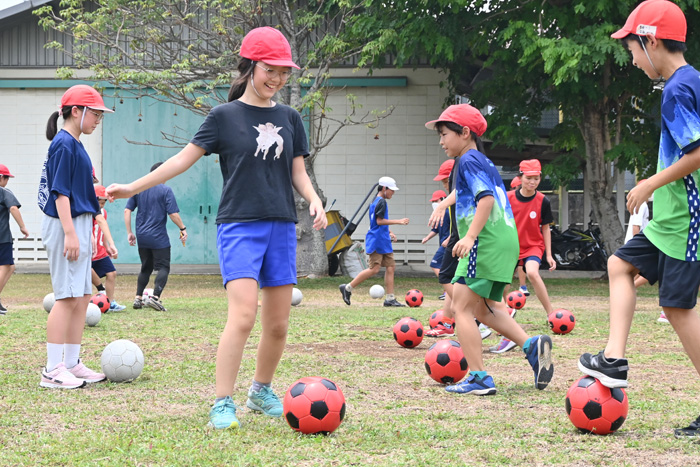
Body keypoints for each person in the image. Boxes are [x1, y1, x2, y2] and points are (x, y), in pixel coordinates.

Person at [107, 26, 327, 430]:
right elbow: (180, 160)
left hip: (280, 225)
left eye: (283, 73)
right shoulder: (223, 117)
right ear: (249, 67)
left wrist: (313, 199)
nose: (277, 80)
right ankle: (222, 402)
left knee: (278, 324)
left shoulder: (290, 117)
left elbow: (298, 169)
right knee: (243, 316)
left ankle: (260, 391)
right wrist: (131, 188)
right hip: (240, 226)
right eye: (270, 70)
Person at [578, 0, 700, 438]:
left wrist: (649, 183)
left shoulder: (678, 89)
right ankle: (613, 360)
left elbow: (698, 153)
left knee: (678, 308)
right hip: (670, 219)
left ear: (650, 40)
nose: (630, 58)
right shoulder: (687, 83)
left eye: (631, 47)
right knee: (618, 265)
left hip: (687, 220)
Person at [426, 104, 554, 395]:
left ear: (465, 133)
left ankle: (480, 378)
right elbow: (473, 191)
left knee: (460, 307)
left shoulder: (468, 160)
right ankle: (532, 346)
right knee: (481, 309)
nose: (441, 141)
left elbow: (485, 200)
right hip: (503, 242)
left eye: (445, 134)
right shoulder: (480, 160)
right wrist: (447, 203)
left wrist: (470, 237)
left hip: (484, 242)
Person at [38, 84, 114, 389]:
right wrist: (70, 232)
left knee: (82, 296)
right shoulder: (64, 144)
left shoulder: (76, 144)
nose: (98, 119)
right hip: (65, 224)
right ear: (76, 111)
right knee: (66, 297)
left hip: (79, 223)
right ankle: (51, 370)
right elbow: (60, 193)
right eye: (95, 113)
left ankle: (71, 363)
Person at [492, 159, 558, 353]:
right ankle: (503, 316)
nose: (532, 182)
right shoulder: (508, 197)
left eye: (536, 178)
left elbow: (545, 228)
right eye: (529, 178)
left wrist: (549, 254)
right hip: (511, 245)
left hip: (533, 246)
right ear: (520, 178)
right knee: (501, 282)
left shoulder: (543, 200)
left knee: (532, 273)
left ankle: (551, 314)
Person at [124, 162, 187, 312]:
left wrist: (129, 232)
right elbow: (173, 214)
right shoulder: (165, 190)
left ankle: (138, 298)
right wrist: (183, 228)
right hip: (158, 237)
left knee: (146, 268)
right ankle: (155, 298)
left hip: (142, 236)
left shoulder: (140, 189)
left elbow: (127, 210)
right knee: (164, 267)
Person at [339, 176, 409, 307]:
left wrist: (389, 232)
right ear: (384, 188)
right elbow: (378, 221)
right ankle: (347, 288)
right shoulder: (381, 202)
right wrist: (398, 221)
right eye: (391, 190)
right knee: (374, 269)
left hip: (383, 240)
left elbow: (375, 223)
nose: (393, 193)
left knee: (391, 267)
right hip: (377, 241)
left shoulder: (376, 202)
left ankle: (390, 298)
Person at [91, 185, 125, 311]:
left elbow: (102, 230)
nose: (101, 205)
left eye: (103, 203)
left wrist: (107, 246)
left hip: (100, 250)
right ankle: (101, 290)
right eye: (99, 202)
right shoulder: (87, 211)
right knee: (86, 270)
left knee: (111, 273)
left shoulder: (103, 213)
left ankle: (110, 302)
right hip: (88, 251)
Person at [0, 164, 29, 313]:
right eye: (6, 178)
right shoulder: (3, 191)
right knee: (6, 266)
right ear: (1, 178)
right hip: (2, 237)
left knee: (11, 267)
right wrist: (22, 226)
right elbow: (13, 208)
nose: (7, 182)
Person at [422, 189, 449, 282]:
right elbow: (435, 229)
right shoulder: (439, 214)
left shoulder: (449, 212)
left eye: (435, 201)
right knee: (446, 268)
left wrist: (448, 240)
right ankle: (448, 291)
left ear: (443, 199)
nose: (434, 203)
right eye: (433, 201)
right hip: (443, 244)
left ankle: (449, 287)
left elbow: (456, 229)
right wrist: (427, 238)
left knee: (434, 264)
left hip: (447, 245)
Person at [509, 176, 529, 296]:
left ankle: (523, 286)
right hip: (513, 236)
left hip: (521, 236)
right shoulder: (510, 198)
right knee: (513, 264)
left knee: (520, 263)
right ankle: (520, 286)